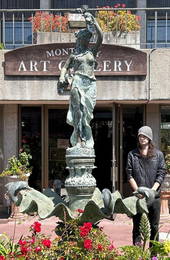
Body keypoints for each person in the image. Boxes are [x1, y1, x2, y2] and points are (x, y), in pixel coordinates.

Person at [58, 10, 103, 149]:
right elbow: (65, 67)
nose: (87, 40)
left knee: (87, 114)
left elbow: (101, 37)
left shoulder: (91, 52)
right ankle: (78, 139)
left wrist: (93, 20)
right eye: (85, 38)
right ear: (80, 39)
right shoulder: (74, 55)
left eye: (88, 39)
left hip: (90, 83)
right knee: (77, 111)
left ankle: (86, 137)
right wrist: (61, 76)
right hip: (77, 81)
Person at [126, 126, 166, 246]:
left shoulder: (158, 155)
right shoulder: (132, 155)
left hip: (154, 197)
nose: (142, 138)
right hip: (138, 197)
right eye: (140, 136)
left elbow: (161, 172)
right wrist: (138, 191)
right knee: (137, 227)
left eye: (145, 136)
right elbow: (129, 174)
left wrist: (151, 191)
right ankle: (137, 252)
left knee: (154, 226)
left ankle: (153, 254)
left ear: (149, 138)